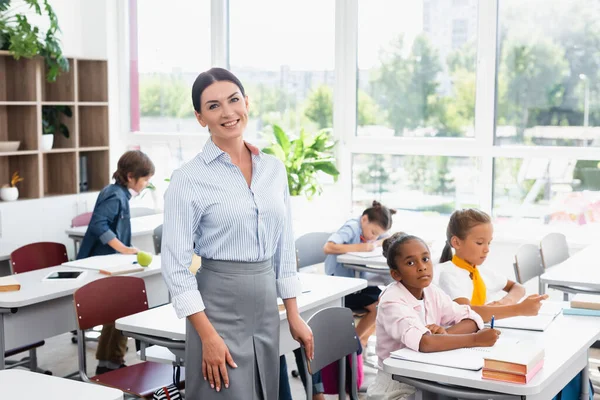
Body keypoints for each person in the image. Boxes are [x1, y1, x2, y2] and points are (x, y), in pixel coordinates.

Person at [161, 67, 313, 400]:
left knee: (265, 391)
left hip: (264, 304)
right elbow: (174, 268)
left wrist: (293, 313)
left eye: (233, 100)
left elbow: (284, 248)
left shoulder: (273, 169)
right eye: (214, 106)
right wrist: (208, 338)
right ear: (201, 118)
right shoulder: (188, 179)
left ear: (247, 102)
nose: (228, 112)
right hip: (217, 309)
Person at [367, 233, 499, 400]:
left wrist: (444, 335)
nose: (422, 267)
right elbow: (425, 343)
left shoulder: (430, 291)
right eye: (410, 262)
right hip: (396, 387)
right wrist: (475, 340)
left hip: (428, 374)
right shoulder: (391, 301)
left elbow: (471, 318)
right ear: (396, 274)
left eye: (425, 259)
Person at [77, 150, 155, 375]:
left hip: (109, 263)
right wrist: (124, 249)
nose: (146, 184)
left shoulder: (120, 194)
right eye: (145, 179)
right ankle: (110, 362)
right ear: (131, 176)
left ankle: (109, 362)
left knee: (119, 310)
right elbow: (99, 225)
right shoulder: (115, 195)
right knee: (122, 307)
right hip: (98, 264)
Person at [436, 209, 548, 322]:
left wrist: (503, 303)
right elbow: (467, 314)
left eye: (488, 243)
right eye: (479, 243)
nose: (487, 249)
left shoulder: (480, 271)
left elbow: (518, 287)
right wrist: (519, 309)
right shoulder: (448, 273)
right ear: (456, 242)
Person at [323, 200, 396, 348]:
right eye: (373, 233)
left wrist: (374, 242)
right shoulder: (352, 227)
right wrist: (361, 247)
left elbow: (386, 238)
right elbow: (328, 247)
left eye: (378, 235)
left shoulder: (368, 231)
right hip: (340, 286)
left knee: (387, 301)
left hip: (356, 282)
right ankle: (350, 342)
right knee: (378, 306)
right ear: (364, 219)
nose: (374, 237)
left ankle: (360, 339)